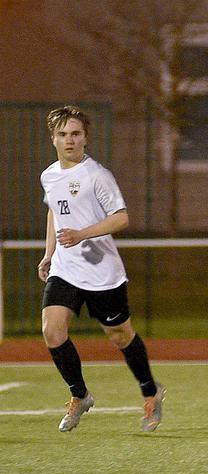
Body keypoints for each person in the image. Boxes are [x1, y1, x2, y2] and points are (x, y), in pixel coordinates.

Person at [37, 105, 165, 433]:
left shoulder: (97, 175)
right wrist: (49, 253)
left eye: (76, 134)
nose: (69, 140)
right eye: (63, 134)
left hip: (101, 271)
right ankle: (79, 395)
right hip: (65, 269)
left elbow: (121, 217)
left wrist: (82, 233)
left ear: (85, 138)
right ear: (53, 138)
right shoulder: (49, 176)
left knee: (121, 336)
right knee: (52, 330)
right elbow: (54, 211)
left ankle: (151, 391)